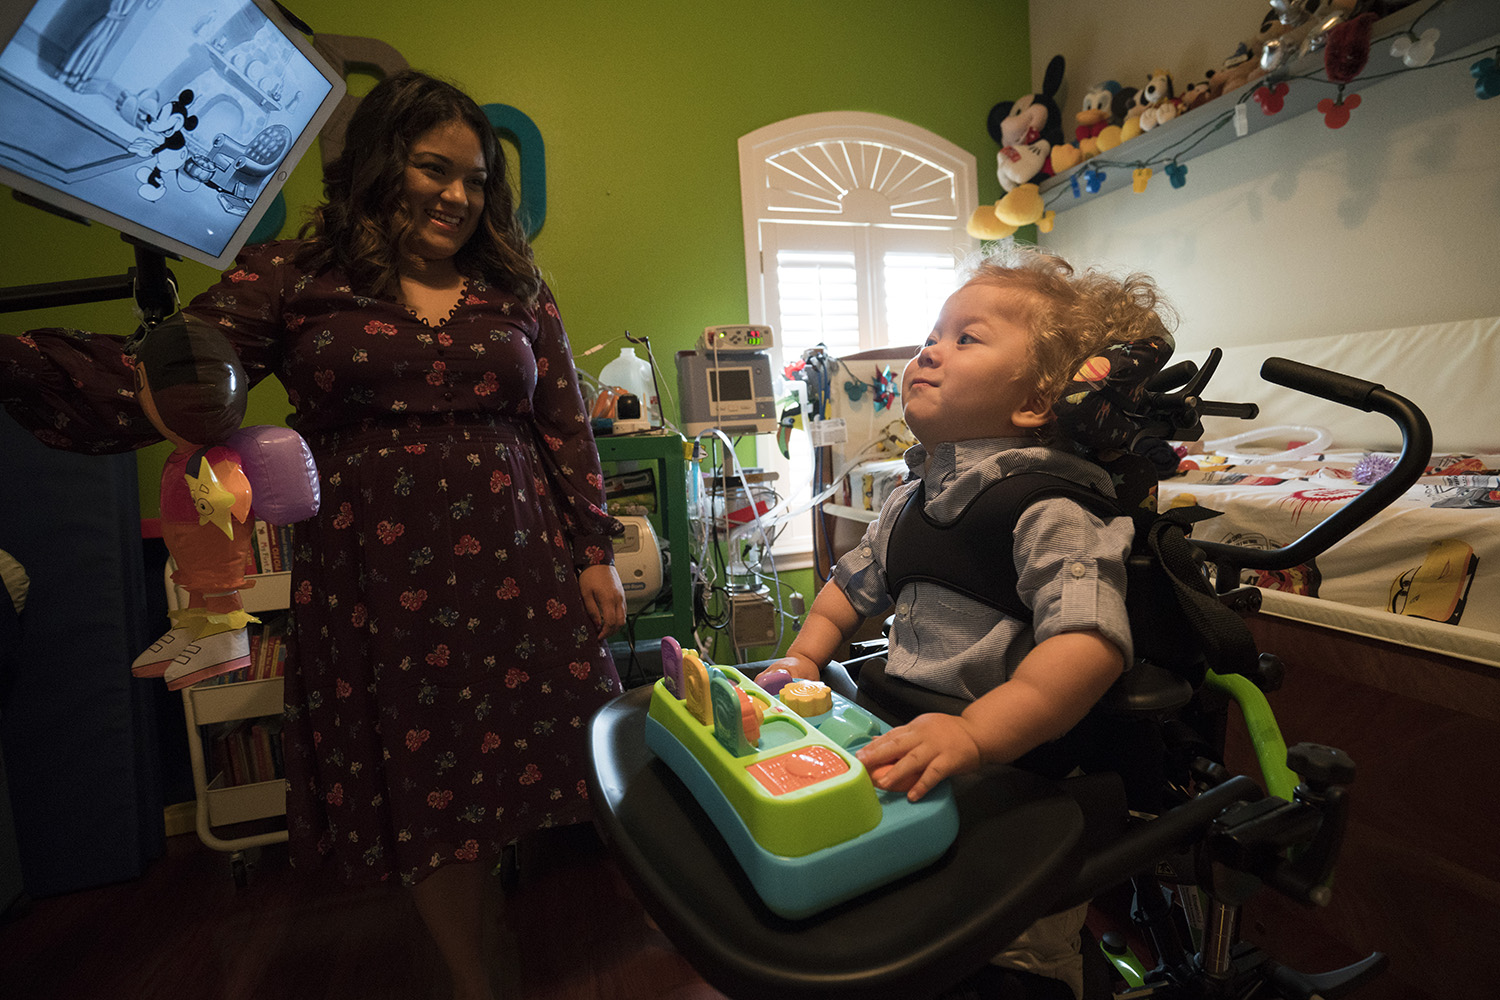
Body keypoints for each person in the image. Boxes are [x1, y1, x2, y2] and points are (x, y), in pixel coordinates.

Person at [1, 70, 626, 1000]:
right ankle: (479, 978)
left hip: (518, 567)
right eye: (432, 168)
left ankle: (498, 937)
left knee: (522, 774)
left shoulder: (514, 283)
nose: (457, 195)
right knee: (431, 791)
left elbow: (565, 423)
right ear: (380, 164)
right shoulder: (295, 277)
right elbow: (174, 375)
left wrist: (595, 552)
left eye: (476, 179)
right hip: (383, 581)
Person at [768, 246, 1178, 1000]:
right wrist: (800, 660)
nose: (929, 349)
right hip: (910, 745)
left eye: (966, 338)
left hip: (1012, 780)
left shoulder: (1053, 509)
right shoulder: (907, 502)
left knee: (1009, 959)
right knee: (908, 937)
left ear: (1034, 403)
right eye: (933, 333)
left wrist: (977, 732)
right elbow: (844, 593)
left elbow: (1087, 647)